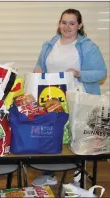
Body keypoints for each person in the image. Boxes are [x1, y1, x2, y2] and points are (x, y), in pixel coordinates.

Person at [32, 8, 107, 186]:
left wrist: (79, 73)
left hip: (78, 99)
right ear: (59, 24)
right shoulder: (49, 44)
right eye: (64, 22)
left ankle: (77, 177)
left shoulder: (88, 46)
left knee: (75, 136)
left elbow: (101, 72)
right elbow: (40, 64)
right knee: (51, 133)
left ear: (79, 25)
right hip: (51, 98)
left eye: (72, 23)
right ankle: (48, 173)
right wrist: (38, 70)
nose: (67, 27)